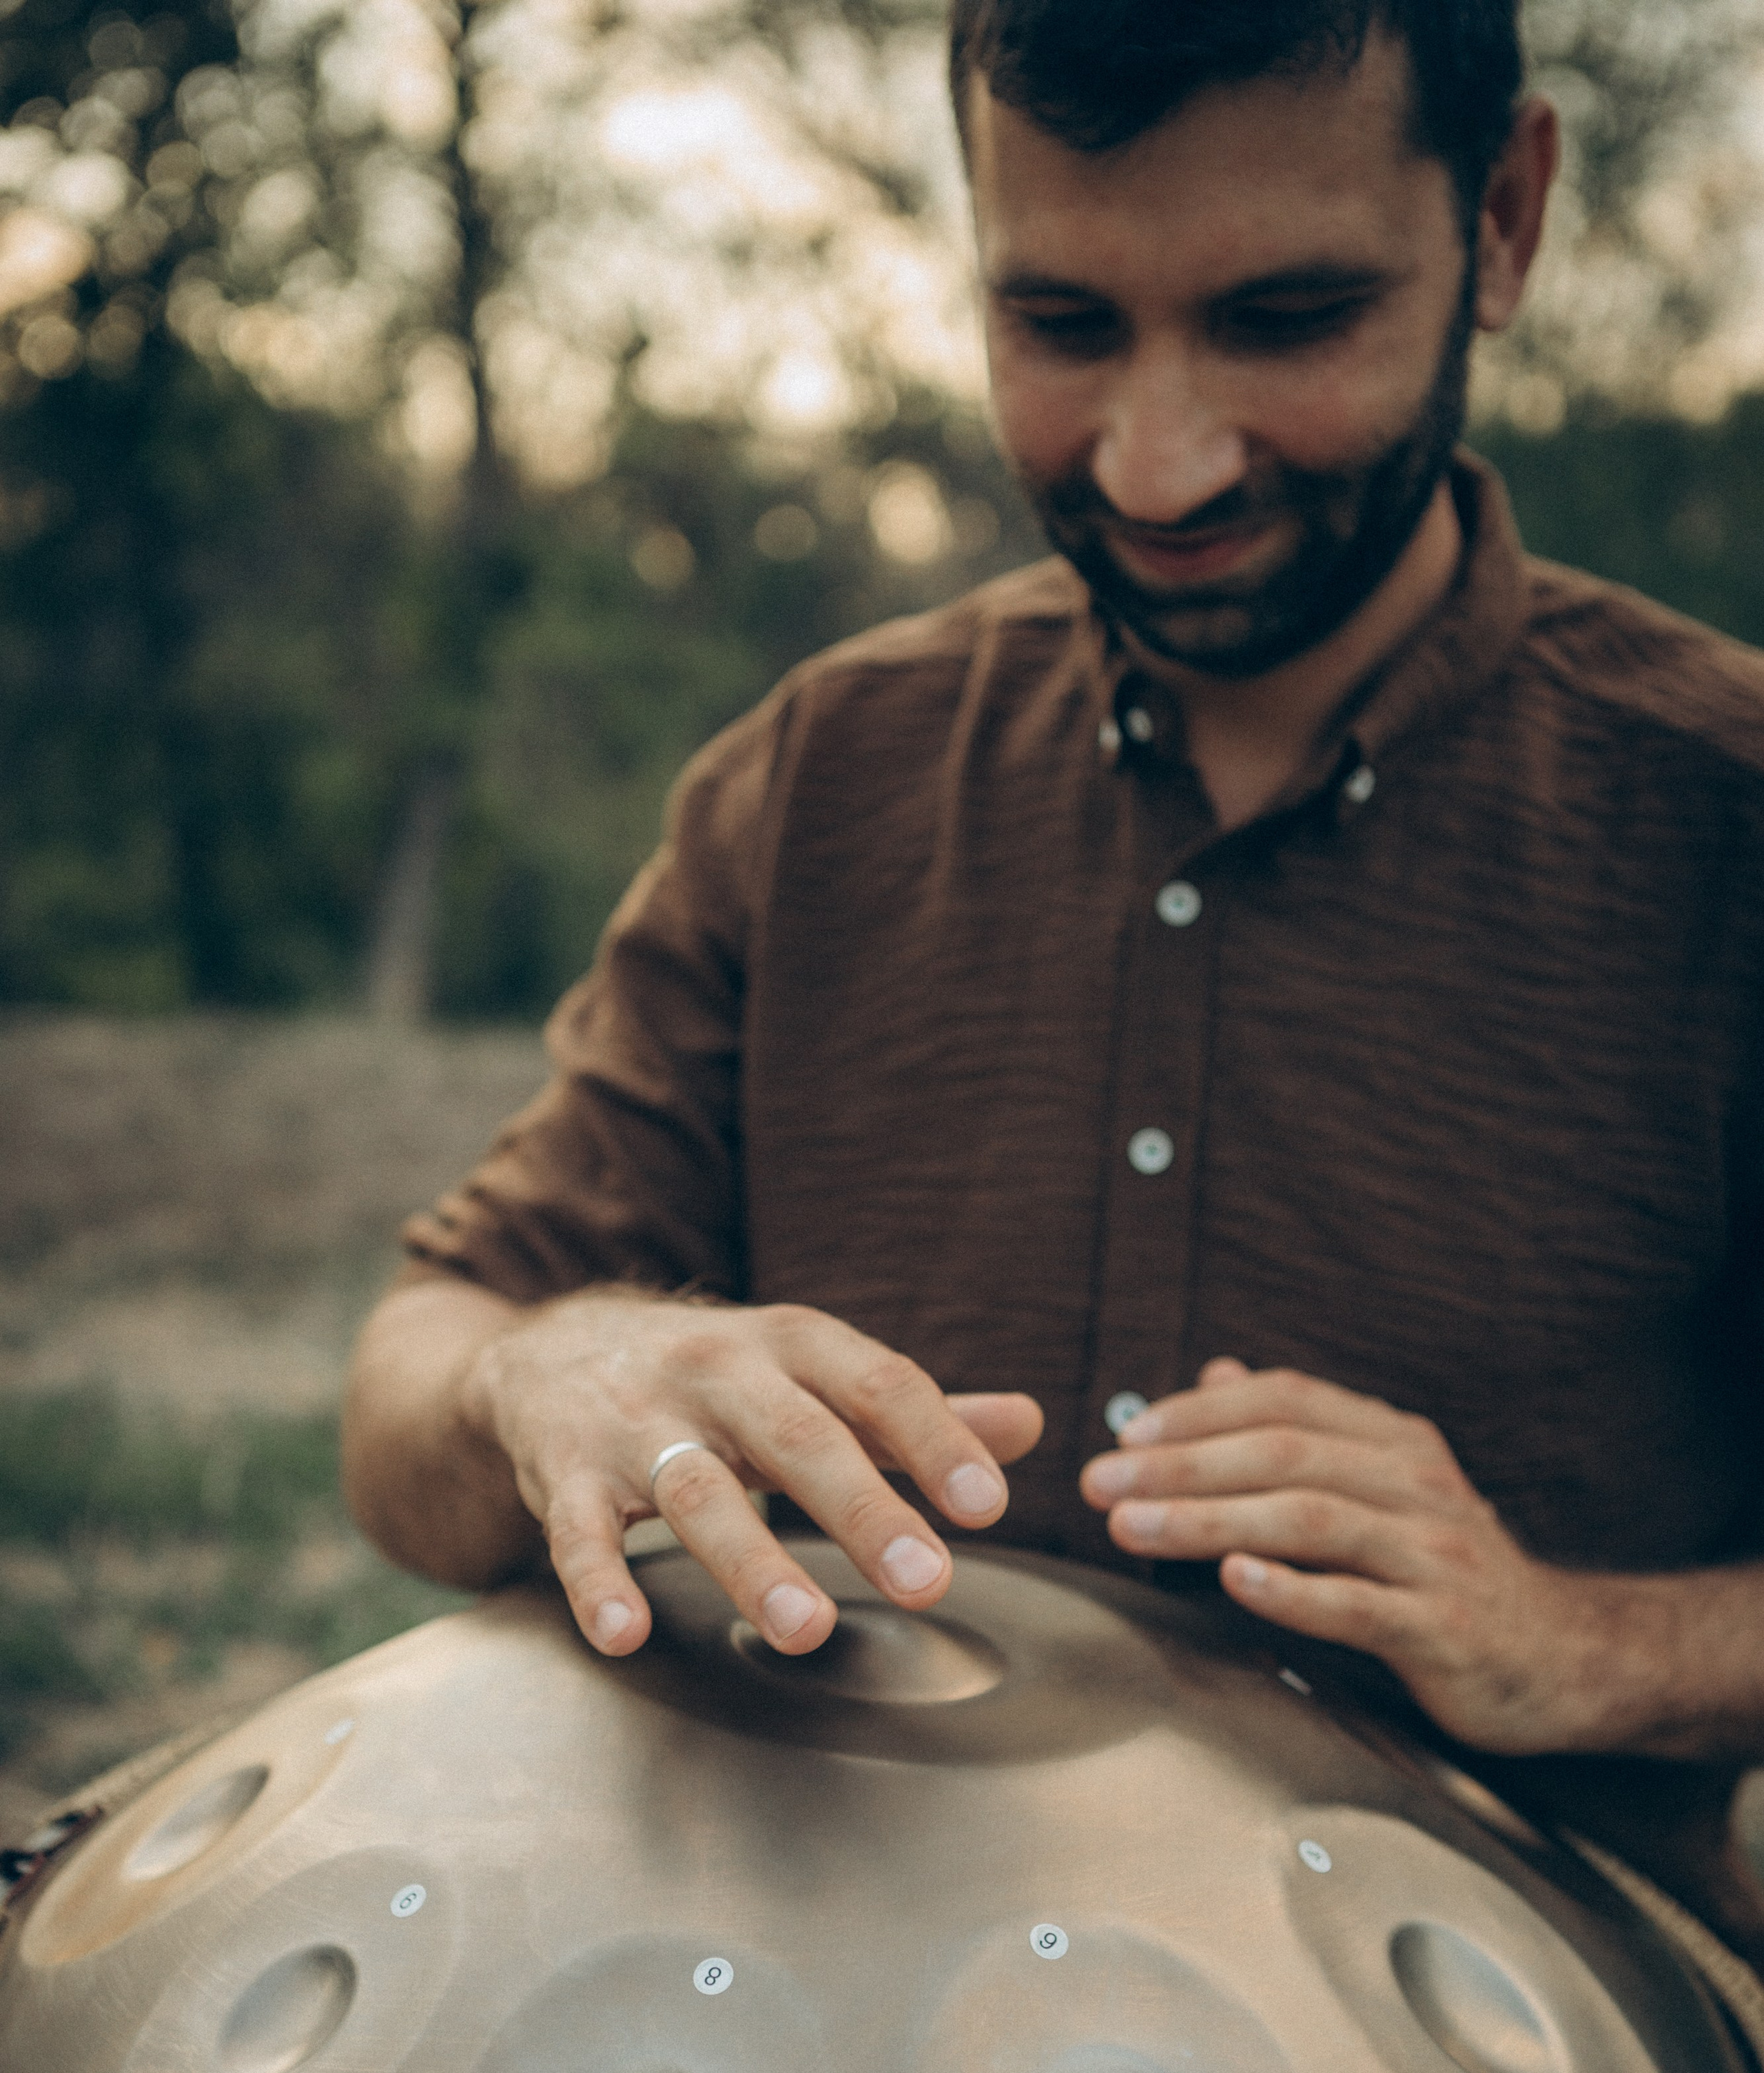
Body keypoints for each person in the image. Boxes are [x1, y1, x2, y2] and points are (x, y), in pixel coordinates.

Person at [345, 0, 1764, 1962]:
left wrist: (1587, 1642)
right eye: (1064, 327)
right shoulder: (818, 775)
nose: (1159, 466)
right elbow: (415, 1367)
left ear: (1504, 223)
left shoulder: (1727, 825)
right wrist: (543, 1369)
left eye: (1288, 319)